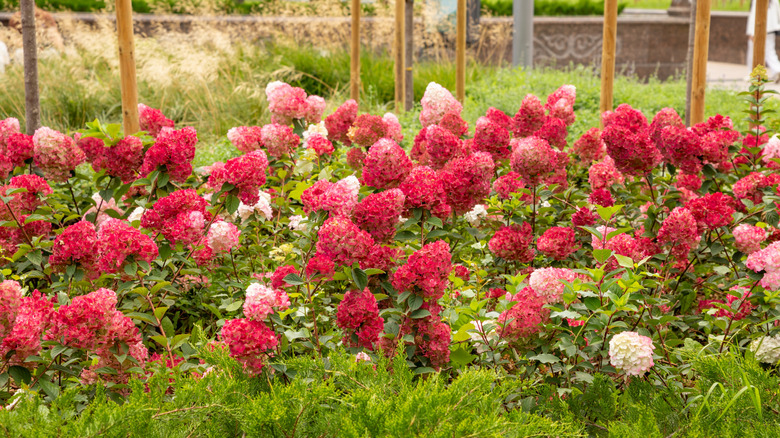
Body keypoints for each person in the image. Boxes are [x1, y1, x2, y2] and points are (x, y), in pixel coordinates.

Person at [747, 0, 780, 81]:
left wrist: (751, 31)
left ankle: (752, 74)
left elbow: (754, 15)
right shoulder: (774, 1)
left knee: (753, 52)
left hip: (758, 30)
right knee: (770, 51)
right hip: (771, 29)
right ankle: (777, 69)